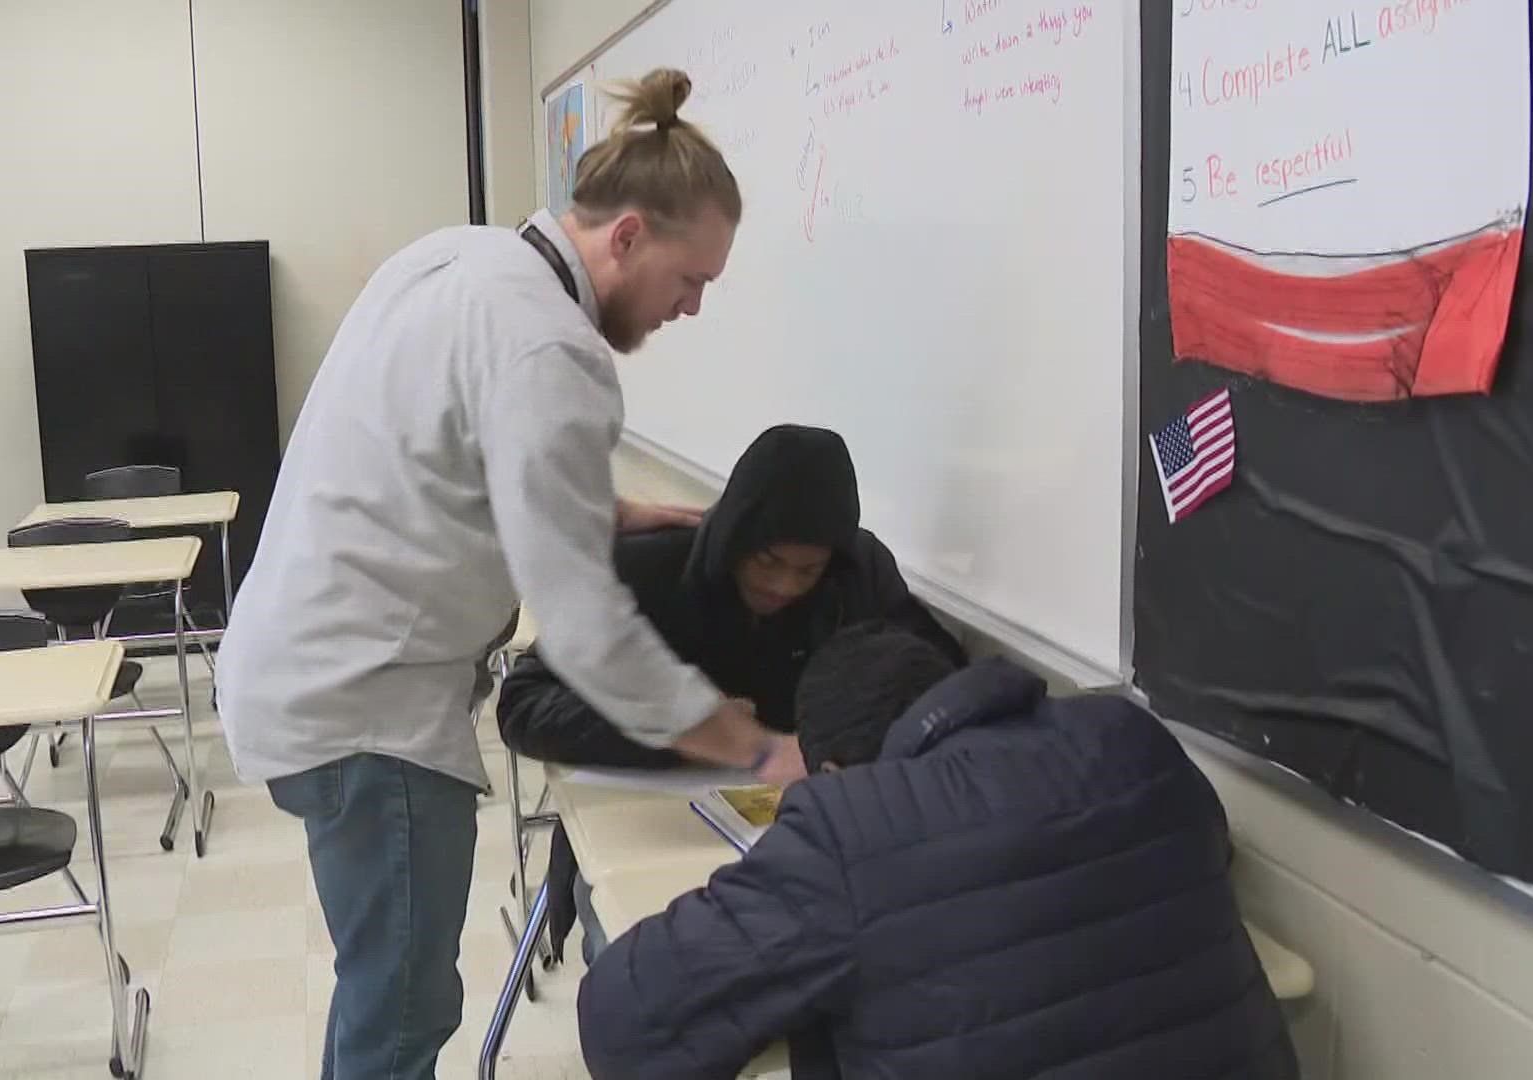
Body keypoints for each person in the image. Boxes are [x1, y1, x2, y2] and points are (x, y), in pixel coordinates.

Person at [213, 68, 806, 1080]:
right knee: (398, 1019)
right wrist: (756, 748)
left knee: (380, 1000)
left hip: (296, 670)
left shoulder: (463, 257)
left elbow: (440, 453)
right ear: (626, 237)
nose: (693, 308)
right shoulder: (553, 350)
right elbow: (589, 636)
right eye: (689, 280)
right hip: (366, 714)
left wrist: (606, 509)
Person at [577, 625, 1300, 1079]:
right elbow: (1206, 849)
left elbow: (625, 1028)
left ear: (832, 772)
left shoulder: (850, 827)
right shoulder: (1130, 738)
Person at [496, 423, 965, 958]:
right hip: (644, 827)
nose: (784, 586)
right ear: (736, 536)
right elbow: (523, 704)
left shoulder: (855, 577)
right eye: (767, 562)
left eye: (806, 570)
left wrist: (846, 743)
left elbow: (940, 676)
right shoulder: (651, 570)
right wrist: (682, 729)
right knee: (628, 943)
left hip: (795, 839)